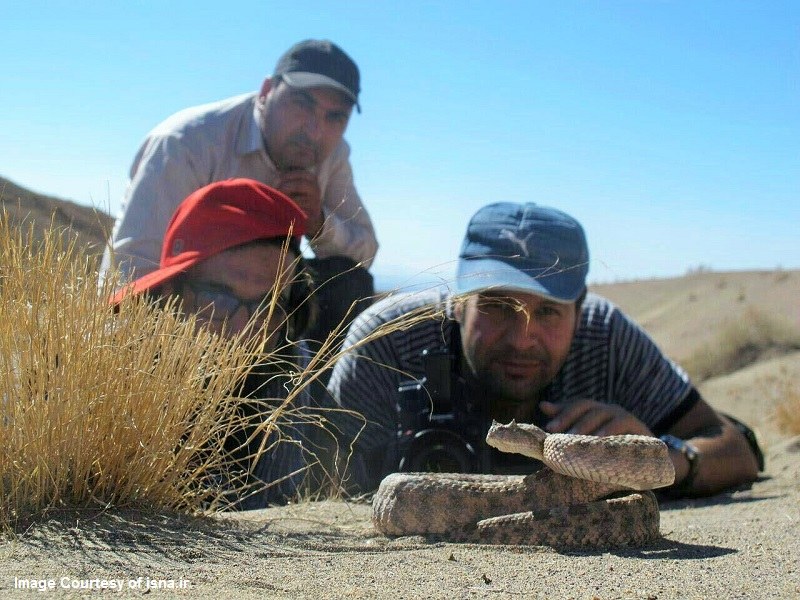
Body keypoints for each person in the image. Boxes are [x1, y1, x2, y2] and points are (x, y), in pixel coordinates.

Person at [327, 202, 763, 497]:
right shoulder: (386, 342)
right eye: (498, 306)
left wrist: (654, 458)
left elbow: (732, 449)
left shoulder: (606, 336)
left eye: (550, 312)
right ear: (459, 303)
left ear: (579, 308)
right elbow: (326, 484)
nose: (522, 338)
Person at [102, 39, 377, 350]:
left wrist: (319, 224)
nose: (315, 130)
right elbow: (132, 268)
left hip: (263, 314)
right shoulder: (185, 143)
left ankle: (309, 389)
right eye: (303, 103)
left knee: (347, 282)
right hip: (193, 311)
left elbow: (363, 252)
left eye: (335, 117)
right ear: (265, 92)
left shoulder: (331, 155)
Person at [112, 178, 323, 509]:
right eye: (219, 301)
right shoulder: (107, 366)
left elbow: (271, 506)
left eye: (267, 308)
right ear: (170, 296)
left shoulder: (286, 358)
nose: (243, 331)